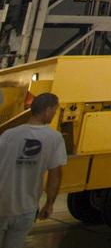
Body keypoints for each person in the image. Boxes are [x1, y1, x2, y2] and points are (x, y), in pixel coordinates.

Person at [0, 93, 66, 245]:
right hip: (26, 208)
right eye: (54, 111)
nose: (54, 114)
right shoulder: (54, 138)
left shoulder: (8, 135)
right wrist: (49, 203)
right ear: (47, 110)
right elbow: (55, 174)